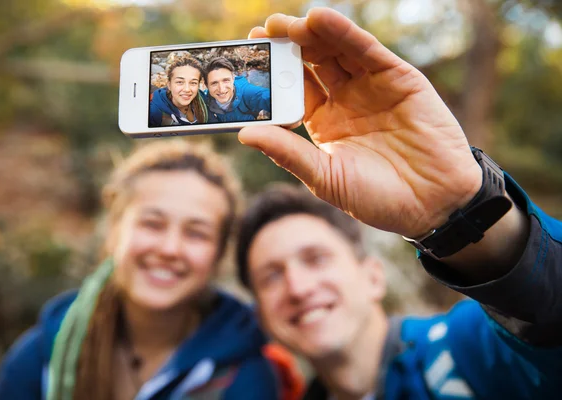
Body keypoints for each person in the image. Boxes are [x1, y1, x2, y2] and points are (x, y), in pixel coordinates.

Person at [234, 7, 562, 400]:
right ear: (261, 315)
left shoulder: (472, 348)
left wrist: (463, 209)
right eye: (271, 276)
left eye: (316, 258)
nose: (298, 287)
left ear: (373, 275)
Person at [0, 140, 280, 400]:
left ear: (219, 255)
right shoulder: (42, 358)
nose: (169, 249)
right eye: (152, 224)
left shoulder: (245, 376)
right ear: (114, 230)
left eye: (196, 233)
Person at [204, 57, 270, 122]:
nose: (221, 89)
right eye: (214, 83)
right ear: (207, 85)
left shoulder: (248, 93)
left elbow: (269, 97)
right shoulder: (205, 99)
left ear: (233, 79)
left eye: (226, 80)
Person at [149, 56, 211, 127]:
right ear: (169, 85)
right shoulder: (154, 113)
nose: (187, 89)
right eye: (180, 82)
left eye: (193, 83)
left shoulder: (203, 99)